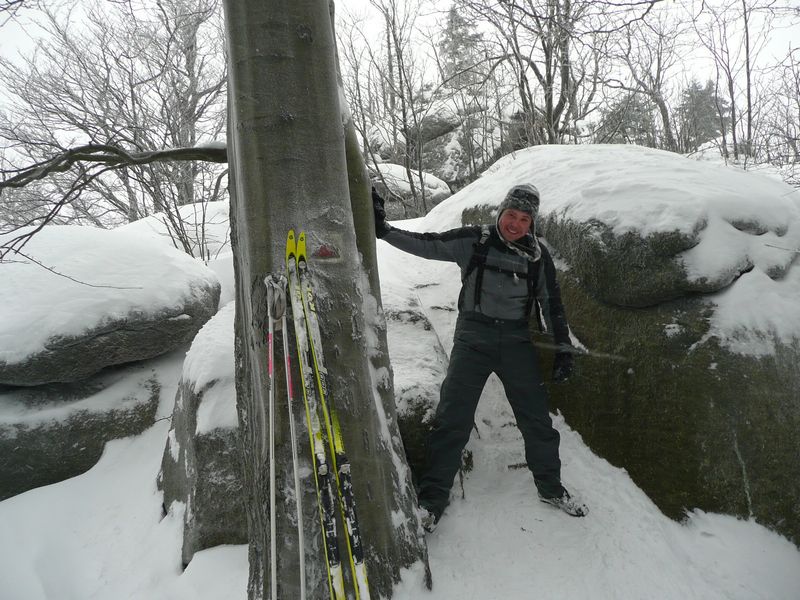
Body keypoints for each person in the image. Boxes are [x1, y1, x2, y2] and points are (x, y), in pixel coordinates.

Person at [372, 183, 588, 533]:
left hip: (516, 341)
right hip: (473, 336)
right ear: (500, 212)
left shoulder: (537, 257)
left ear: (531, 223)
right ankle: (431, 502)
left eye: (523, 219)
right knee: (452, 418)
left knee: (536, 420)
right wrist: (385, 231)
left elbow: (553, 304)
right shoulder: (475, 240)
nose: (515, 224)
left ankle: (550, 488)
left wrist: (563, 349)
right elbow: (428, 244)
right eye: (511, 215)